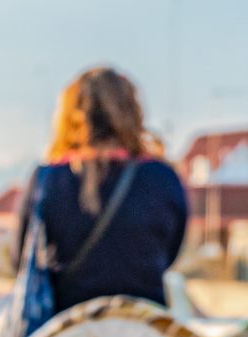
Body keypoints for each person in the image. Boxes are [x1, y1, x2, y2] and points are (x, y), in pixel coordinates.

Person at [15, 66, 188, 319]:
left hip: (66, 331)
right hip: (145, 327)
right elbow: (170, 254)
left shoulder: (48, 179)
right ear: (132, 111)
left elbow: (20, 258)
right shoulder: (163, 178)